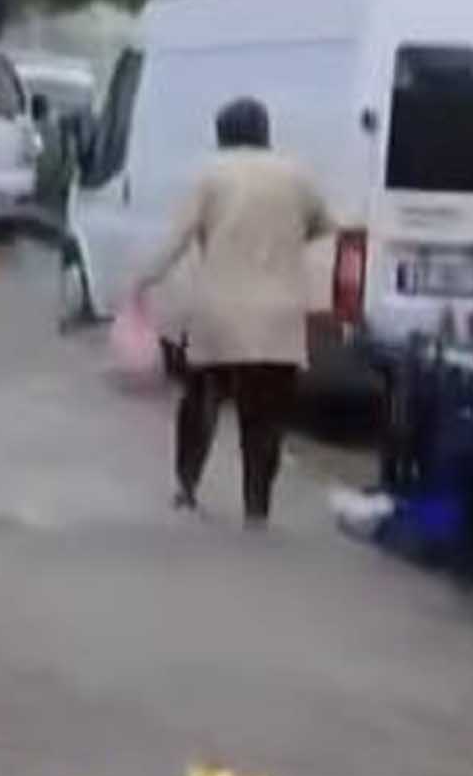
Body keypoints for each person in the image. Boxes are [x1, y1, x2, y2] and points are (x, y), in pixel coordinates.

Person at [129, 97, 331, 525]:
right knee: (266, 418)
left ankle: (187, 488)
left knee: (201, 401)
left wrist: (143, 279)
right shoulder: (297, 175)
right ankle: (257, 510)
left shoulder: (212, 175)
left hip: (221, 312)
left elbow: (179, 237)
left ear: (222, 134)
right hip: (279, 316)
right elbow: (325, 225)